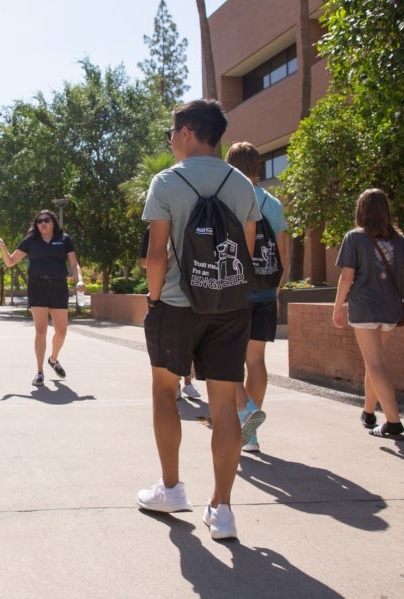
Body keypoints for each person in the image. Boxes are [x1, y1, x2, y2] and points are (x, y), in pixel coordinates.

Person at [136, 99, 259, 541]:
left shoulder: (167, 182)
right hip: (229, 307)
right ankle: (222, 510)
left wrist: (153, 299)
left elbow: (155, 254)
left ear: (187, 131)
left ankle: (171, 489)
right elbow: (245, 249)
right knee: (224, 405)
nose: (170, 141)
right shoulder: (242, 184)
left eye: (172, 132)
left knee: (165, 394)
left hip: (175, 304)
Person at [332, 189, 404, 439]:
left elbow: (346, 278)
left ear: (361, 210)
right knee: (374, 362)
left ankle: (393, 422)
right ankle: (368, 412)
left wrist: (337, 307)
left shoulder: (354, 238)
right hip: (390, 309)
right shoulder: (399, 240)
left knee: (374, 363)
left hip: (365, 306)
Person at [225, 142, 288, 453]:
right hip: (265, 289)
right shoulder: (272, 204)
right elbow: (283, 253)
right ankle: (250, 435)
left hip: (235, 290)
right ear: (258, 168)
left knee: (228, 359)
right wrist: (275, 290)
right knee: (256, 360)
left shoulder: (230, 199)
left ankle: (245, 411)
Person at [0, 210, 85, 386]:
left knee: (61, 332)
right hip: (37, 286)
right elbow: (10, 262)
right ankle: (40, 372)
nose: (43, 223)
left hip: (58, 286)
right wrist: (3, 247)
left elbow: (73, 263)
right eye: (39, 221)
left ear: (53, 222)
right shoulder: (30, 241)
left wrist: (80, 279)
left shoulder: (64, 239)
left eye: (47, 220)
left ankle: (53, 359)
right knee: (41, 331)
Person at [139, 227, 200, 399]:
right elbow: (145, 261)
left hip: (195, 293)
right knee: (172, 346)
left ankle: (188, 383)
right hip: (168, 294)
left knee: (191, 343)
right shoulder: (153, 229)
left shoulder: (189, 224)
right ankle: (176, 384)